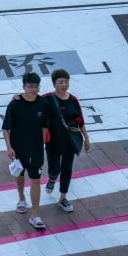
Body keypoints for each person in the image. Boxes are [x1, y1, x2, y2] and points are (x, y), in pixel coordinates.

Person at [3, 72, 48, 229]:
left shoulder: (43, 103)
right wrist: (9, 147)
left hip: (36, 150)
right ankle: (21, 197)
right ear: (24, 87)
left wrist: (42, 143)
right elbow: (6, 128)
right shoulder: (15, 104)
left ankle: (35, 214)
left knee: (36, 180)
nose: (33, 90)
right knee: (20, 174)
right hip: (18, 149)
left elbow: (45, 126)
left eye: (36, 87)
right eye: (30, 87)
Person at [43, 68, 90, 214]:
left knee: (67, 168)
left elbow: (80, 120)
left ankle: (63, 197)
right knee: (54, 168)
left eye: (66, 82)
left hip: (70, 140)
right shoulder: (47, 99)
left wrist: (87, 138)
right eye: (60, 82)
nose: (64, 85)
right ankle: (51, 179)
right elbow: (31, 101)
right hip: (53, 141)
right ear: (54, 84)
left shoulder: (73, 100)